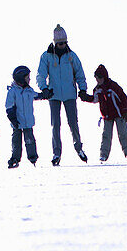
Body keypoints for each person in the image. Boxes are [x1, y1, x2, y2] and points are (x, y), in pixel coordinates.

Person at [36, 25, 88, 165]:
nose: (62, 45)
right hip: (53, 95)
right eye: (60, 43)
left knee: (73, 122)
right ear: (55, 42)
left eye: (64, 42)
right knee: (56, 124)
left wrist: (82, 89)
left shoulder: (72, 56)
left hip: (70, 94)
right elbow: (41, 75)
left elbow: (80, 74)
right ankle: (56, 153)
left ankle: (79, 148)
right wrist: (44, 89)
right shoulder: (46, 56)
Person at [79, 65, 127, 162]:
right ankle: (103, 155)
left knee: (123, 134)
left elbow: (123, 98)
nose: (98, 80)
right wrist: (86, 98)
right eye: (96, 78)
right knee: (106, 135)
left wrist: (125, 111)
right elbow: (95, 99)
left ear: (104, 77)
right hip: (107, 116)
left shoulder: (113, 87)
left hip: (119, 114)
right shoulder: (98, 89)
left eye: (99, 78)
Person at [5, 65, 52, 168]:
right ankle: (15, 158)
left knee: (30, 140)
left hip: (28, 122)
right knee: (16, 141)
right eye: (27, 77)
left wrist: (45, 95)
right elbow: (9, 106)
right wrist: (13, 119)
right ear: (21, 78)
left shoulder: (29, 90)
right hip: (17, 122)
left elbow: (36, 96)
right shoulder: (12, 91)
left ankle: (32, 157)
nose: (29, 79)